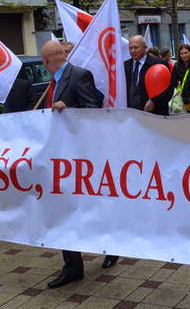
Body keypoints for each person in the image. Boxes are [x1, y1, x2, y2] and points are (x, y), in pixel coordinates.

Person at [38, 40, 119, 287]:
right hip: (61, 155)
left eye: (43, 60)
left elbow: (92, 111)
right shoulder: (54, 82)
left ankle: (111, 246)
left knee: (89, 207)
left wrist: (69, 108)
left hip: (80, 156)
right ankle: (73, 266)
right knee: (64, 208)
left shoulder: (79, 75)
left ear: (47, 60)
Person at [125, 35, 172, 115]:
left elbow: (168, 89)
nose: (133, 51)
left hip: (154, 114)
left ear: (145, 48)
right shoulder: (125, 66)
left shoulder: (158, 64)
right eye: (130, 48)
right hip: (132, 115)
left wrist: (154, 102)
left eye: (136, 47)